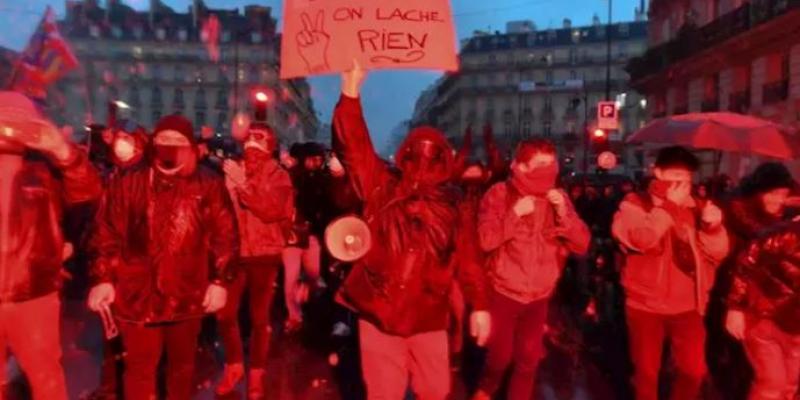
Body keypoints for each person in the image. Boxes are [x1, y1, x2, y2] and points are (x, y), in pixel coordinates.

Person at [332, 60, 490, 400]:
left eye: (434, 157)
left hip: (428, 316)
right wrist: (351, 91)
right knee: (384, 393)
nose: (424, 161)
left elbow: (469, 257)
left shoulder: (454, 202)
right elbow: (354, 148)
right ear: (404, 155)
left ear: (445, 161)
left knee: (434, 390)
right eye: (417, 154)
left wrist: (479, 305)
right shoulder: (382, 187)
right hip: (380, 313)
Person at [87, 114, 238, 400]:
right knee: (139, 369)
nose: (170, 146)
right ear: (153, 143)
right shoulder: (128, 181)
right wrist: (102, 277)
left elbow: (225, 234)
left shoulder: (207, 183)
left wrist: (220, 280)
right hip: (136, 294)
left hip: (187, 291)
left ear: (191, 147)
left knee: (181, 368)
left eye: (178, 141)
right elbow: (105, 231)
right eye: (163, 140)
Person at [0, 91, 101, 400]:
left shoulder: (45, 166)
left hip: (33, 292)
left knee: (45, 377)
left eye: (18, 122)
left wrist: (63, 152)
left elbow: (88, 192)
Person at [472, 139, 590, 400]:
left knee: (528, 361)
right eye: (540, 165)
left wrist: (564, 215)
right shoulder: (499, 194)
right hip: (503, 292)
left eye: (551, 164)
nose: (547, 170)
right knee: (500, 357)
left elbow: (582, 245)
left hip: (539, 296)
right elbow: (485, 240)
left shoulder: (558, 198)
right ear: (521, 166)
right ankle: (486, 388)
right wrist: (513, 215)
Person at [612, 146, 730, 400]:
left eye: (685, 179)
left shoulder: (698, 208)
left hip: (688, 306)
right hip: (645, 305)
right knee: (646, 374)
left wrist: (713, 228)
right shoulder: (634, 204)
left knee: (693, 371)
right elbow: (641, 240)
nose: (680, 184)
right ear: (658, 173)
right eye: (674, 177)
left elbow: (718, 253)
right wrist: (666, 209)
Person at [215, 122, 294, 398]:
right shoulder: (235, 169)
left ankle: (257, 372)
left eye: (258, 139)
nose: (251, 143)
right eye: (248, 138)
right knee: (225, 313)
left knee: (259, 318)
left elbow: (271, 209)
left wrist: (243, 184)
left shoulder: (279, 176)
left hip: (264, 253)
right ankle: (235, 365)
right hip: (236, 253)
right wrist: (226, 188)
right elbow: (222, 212)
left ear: (270, 145)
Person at [716, 162, 797, 400]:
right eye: (772, 193)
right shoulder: (740, 214)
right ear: (758, 193)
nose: (778, 200)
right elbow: (745, 263)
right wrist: (735, 307)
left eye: (783, 194)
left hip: (786, 310)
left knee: (786, 383)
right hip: (745, 300)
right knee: (769, 380)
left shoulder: (787, 221)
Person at [87, 119, 150, 400]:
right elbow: (104, 226)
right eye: (119, 137)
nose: (121, 142)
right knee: (111, 332)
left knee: (134, 337)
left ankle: (127, 387)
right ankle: (110, 386)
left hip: (135, 269)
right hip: (114, 266)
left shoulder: (144, 176)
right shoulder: (114, 175)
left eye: (128, 137)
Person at [726, 218, 800, 400]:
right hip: (765, 318)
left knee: (789, 386)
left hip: (795, 327)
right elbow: (746, 264)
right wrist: (736, 306)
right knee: (772, 383)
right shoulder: (782, 233)